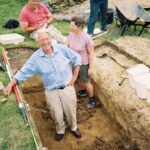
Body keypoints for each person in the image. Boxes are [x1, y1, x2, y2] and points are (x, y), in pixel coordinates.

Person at [3, 31, 81, 141]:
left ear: (51, 38)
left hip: (67, 88)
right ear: (38, 43)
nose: (45, 42)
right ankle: (60, 130)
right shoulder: (36, 58)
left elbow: (77, 58)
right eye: (41, 40)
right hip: (51, 91)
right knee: (56, 113)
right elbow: (23, 72)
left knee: (70, 110)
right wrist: (10, 84)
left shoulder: (61, 49)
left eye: (46, 38)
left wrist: (75, 75)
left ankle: (73, 127)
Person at [67, 16, 96, 109]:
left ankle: (92, 99)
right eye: (70, 25)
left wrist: (90, 68)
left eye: (73, 26)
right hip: (73, 63)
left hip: (83, 64)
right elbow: (66, 46)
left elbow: (91, 54)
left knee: (86, 81)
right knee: (78, 79)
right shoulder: (71, 35)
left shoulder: (87, 38)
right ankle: (83, 91)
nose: (71, 27)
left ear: (79, 27)